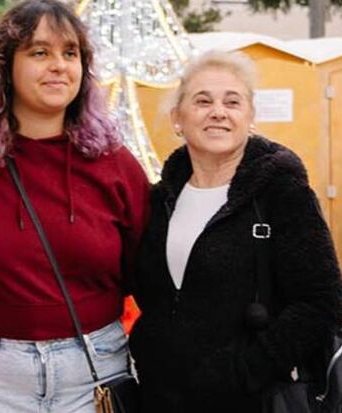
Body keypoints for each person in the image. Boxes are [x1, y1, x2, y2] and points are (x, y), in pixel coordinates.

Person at [0, 0, 150, 413]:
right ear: (5, 67)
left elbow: (147, 273)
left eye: (70, 53)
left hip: (95, 374)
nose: (58, 66)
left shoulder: (114, 163)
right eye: (39, 52)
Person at [130, 50, 342, 412]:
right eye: (203, 101)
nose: (218, 112)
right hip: (162, 398)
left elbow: (320, 301)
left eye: (232, 101)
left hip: (252, 401)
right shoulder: (161, 198)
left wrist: (245, 371)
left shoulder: (281, 193)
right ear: (177, 118)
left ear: (250, 116)